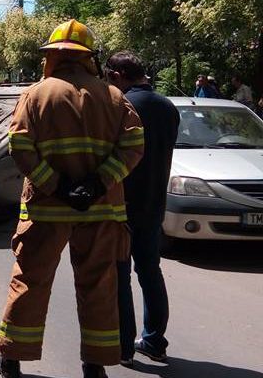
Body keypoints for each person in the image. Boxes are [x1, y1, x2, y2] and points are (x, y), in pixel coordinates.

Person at [0, 20, 144, 378]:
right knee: (98, 286)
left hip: (47, 211)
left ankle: (12, 357)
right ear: (88, 58)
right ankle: (95, 366)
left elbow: (20, 146)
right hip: (100, 211)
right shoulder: (113, 97)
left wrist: (56, 186)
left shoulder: (36, 94)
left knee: (30, 281)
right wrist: (97, 183)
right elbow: (134, 145)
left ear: (54, 56)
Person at [105, 51, 179, 366]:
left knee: (121, 277)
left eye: (110, 78)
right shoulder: (168, 107)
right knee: (150, 272)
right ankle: (153, 341)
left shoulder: (121, 106)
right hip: (154, 205)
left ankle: (124, 347)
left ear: (119, 75)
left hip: (122, 206)